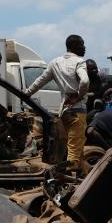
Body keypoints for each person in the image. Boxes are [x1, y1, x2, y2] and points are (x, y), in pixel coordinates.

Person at [27, 35, 90, 174]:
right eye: (82, 45)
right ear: (74, 46)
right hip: (77, 112)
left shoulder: (55, 63)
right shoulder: (80, 61)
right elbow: (85, 81)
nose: (84, 48)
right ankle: (68, 180)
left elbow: (40, 81)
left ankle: (85, 177)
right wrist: (78, 96)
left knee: (76, 149)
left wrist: (26, 94)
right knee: (74, 152)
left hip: (64, 113)